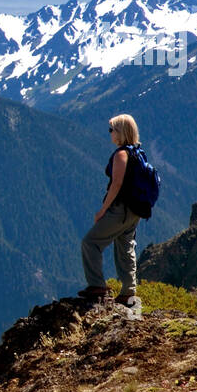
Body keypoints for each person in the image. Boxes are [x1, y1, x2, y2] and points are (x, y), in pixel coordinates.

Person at [78, 114, 142, 304]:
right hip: (135, 210)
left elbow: (117, 184)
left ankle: (97, 286)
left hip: (120, 210)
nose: (110, 133)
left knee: (90, 242)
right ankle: (129, 292)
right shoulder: (137, 152)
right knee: (125, 246)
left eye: (112, 130)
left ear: (120, 132)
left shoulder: (121, 154)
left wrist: (103, 210)